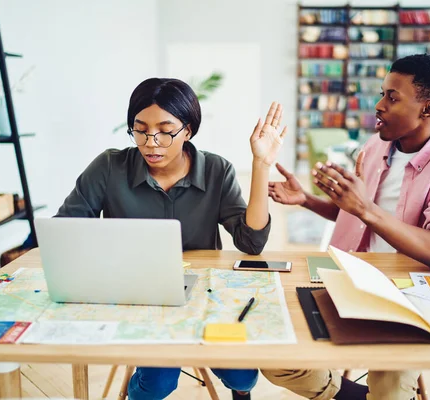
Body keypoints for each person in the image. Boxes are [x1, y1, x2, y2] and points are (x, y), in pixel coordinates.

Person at [263, 54, 430, 400]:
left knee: (389, 389)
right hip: (349, 279)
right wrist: (308, 200)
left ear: (428, 109)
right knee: (275, 356)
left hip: (413, 296)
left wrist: (366, 209)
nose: (378, 105)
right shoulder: (375, 146)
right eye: (382, 93)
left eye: (392, 97)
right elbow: (356, 216)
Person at [55, 78, 287, 400]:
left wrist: (261, 166)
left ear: (188, 130)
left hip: (204, 298)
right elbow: (66, 231)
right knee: (157, 385)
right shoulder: (109, 167)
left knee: (244, 378)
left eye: (166, 131)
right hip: (139, 298)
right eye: (140, 129)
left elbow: (251, 243)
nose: (151, 142)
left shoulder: (217, 170)